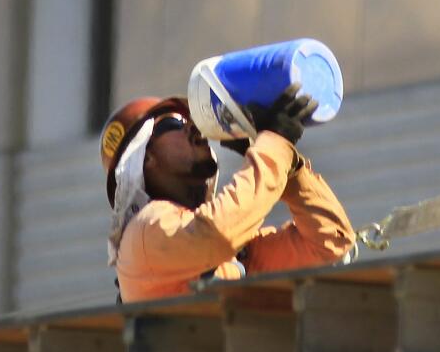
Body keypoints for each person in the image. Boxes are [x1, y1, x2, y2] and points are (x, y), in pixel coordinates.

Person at [99, 85, 355, 302]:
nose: (194, 129)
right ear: (144, 158)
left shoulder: (219, 246)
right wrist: (273, 144)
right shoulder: (145, 232)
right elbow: (216, 232)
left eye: (193, 121)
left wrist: (289, 167)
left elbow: (331, 243)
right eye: (173, 123)